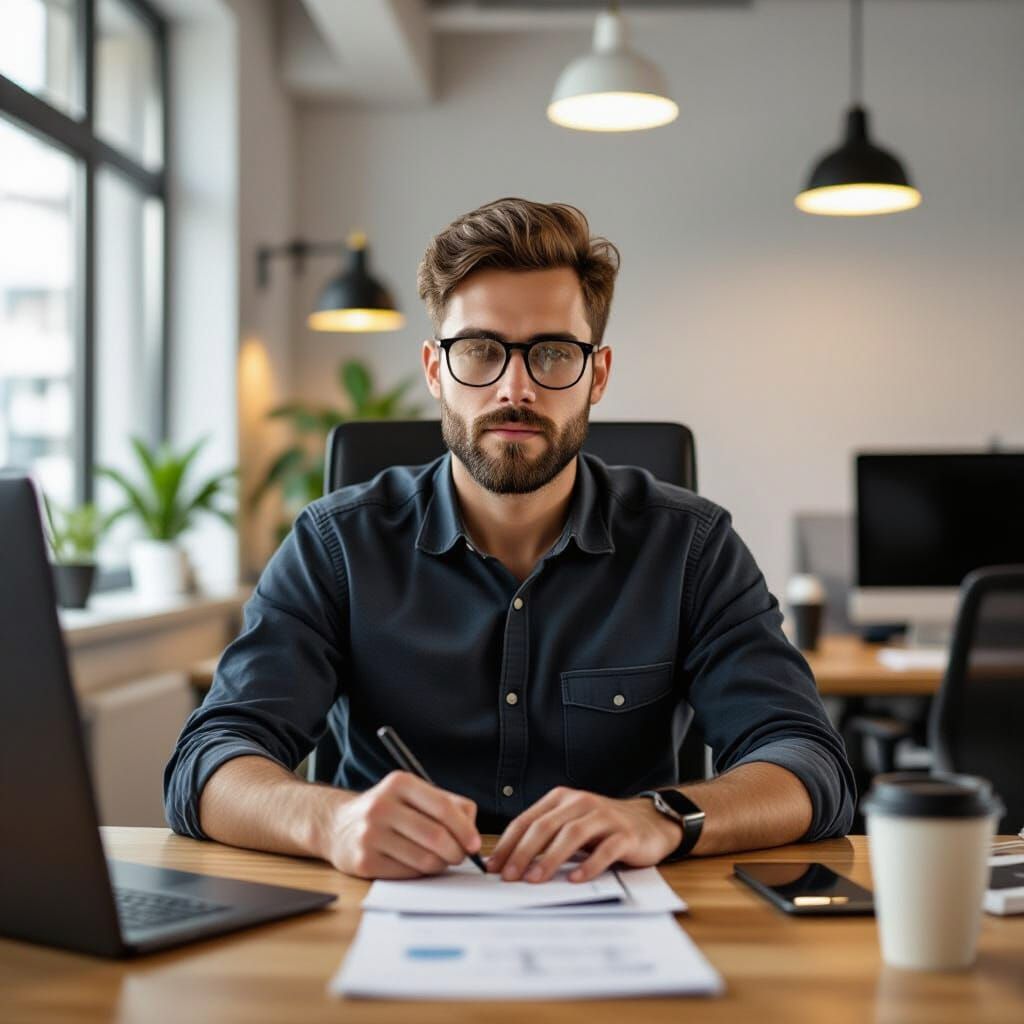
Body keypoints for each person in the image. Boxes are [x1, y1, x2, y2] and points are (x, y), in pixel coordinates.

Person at [165, 197, 855, 883]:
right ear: (436, 370)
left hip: (615, 913)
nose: (514, 388)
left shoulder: (691, 548)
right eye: (480, 351)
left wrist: (663, 816)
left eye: (553, 353)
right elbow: (210, 761)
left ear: (598, 373)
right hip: (384, 914)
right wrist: (332, 822)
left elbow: (808, 764)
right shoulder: (336, 544)